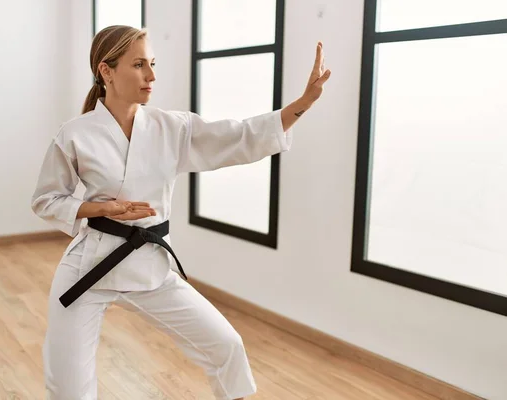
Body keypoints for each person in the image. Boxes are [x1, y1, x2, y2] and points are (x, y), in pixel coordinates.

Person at [31, 24, 330, 400]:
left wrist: (302, 104)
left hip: (151, 264)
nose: (151, 76)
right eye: (139, 64)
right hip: (89, 269)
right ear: (106, 71)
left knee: (228, 347)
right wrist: (103, 208)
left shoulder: (172, 127)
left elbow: (240, 136)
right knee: (68, 388)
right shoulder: (75, 133)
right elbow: (47, 199)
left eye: (152, 63)